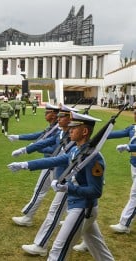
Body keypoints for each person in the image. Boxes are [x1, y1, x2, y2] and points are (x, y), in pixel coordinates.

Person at [8, 111, 114, 261]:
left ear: (84, 131)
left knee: (58, 251)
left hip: (82, 208)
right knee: (99, 250)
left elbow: (96, 191)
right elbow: (54, 161)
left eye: (74, 127)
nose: (69, 130)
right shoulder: (78, 150)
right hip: (78, 207)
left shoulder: (92, 158)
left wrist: (68, 188)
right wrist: (25, 164)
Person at [19, 104, 79, 256]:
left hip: (69, 182)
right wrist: (27, 157)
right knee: (87, 218)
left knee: (54, 212)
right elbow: (52, 152)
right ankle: (88, 242)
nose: (58, 118)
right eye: (58, 116)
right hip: (63, 179)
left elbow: (57, 157)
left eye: (62, 116)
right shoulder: (65, 136)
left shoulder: (75, 145)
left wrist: (27, 162)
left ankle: (40, 245)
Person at [8, 103, 59, 226]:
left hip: (51, 163)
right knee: (62, 194)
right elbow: (39, 136)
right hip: (51, 162)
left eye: (48, 112)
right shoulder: (53, 127)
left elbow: (55, 148)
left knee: (40, 191)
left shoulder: (58, 129)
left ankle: (28, 217)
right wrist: (18, 137)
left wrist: (38, 149)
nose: (45, 114)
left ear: (54, 114)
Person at [106, 109, 136, 234]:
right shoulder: (133, 128)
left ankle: (125, 224)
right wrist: (103, 134)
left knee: (134, 195)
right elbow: (118, 133)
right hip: (134, 164)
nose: (135, 115)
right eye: (135, 113)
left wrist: (128, 147)